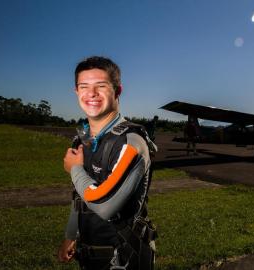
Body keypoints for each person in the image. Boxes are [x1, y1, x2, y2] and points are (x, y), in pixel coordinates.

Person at [58, 56, 157, 270]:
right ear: (76, 92)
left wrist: (75, 169)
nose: (91, 94)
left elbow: (105, 207)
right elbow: (80, 196)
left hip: (124, 257)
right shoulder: (81, 140)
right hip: (88, 255)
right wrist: (71, 235)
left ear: (117, 91)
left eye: (100, 86)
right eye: (84, 86)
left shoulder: (132, 142)